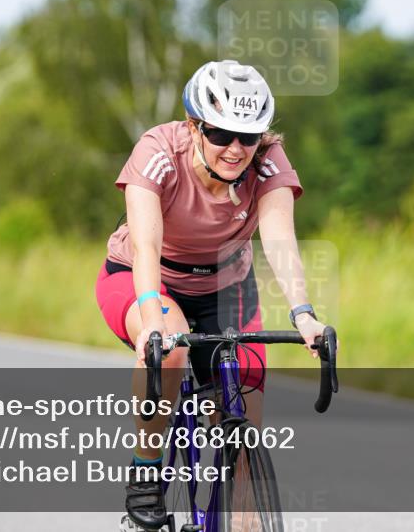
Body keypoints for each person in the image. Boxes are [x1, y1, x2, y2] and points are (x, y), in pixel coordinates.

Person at [95, 59, 328, 530]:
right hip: (147, 277)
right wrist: (152, 322)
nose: (236, 149)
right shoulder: (158, 152)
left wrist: (304, 314)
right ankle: (146, 469)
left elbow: (281, 242)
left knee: (245, 418)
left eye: (249, 136)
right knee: (172, 352)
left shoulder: (267, 161)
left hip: (226, 285)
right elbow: (146, 246)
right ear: (194, 126)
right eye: (221, 134)